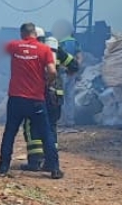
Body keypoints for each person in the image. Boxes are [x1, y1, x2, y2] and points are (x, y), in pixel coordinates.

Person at [0, 22, 63, 179]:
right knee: (46, 132)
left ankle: (3, 167)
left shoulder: (14, 46)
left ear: (22, 34)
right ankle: (54, 169)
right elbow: (52, 71)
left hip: (16, 99)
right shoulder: (44, 49)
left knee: (10, 133)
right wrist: (47, 81)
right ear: (35, 34)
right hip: (36, 99)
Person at [20, 35, 80, 171]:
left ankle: (34, 162)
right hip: (56, 96)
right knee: (51, 127)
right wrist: (66, 71)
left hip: (38, 95)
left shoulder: (33, 50)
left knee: (32, 125)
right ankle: (50, 162)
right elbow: (74, 65)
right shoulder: (58, 51)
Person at [52, 19, 83, 127]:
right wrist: (75, 68)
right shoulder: (75, 42)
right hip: (72, 73)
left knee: (60, 97)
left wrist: (63, 69)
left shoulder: (60, 44)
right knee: (70, 97)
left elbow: (57, 59)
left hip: (62, 73)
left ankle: (61, 120)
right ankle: (70, 121)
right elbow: (79, 57)